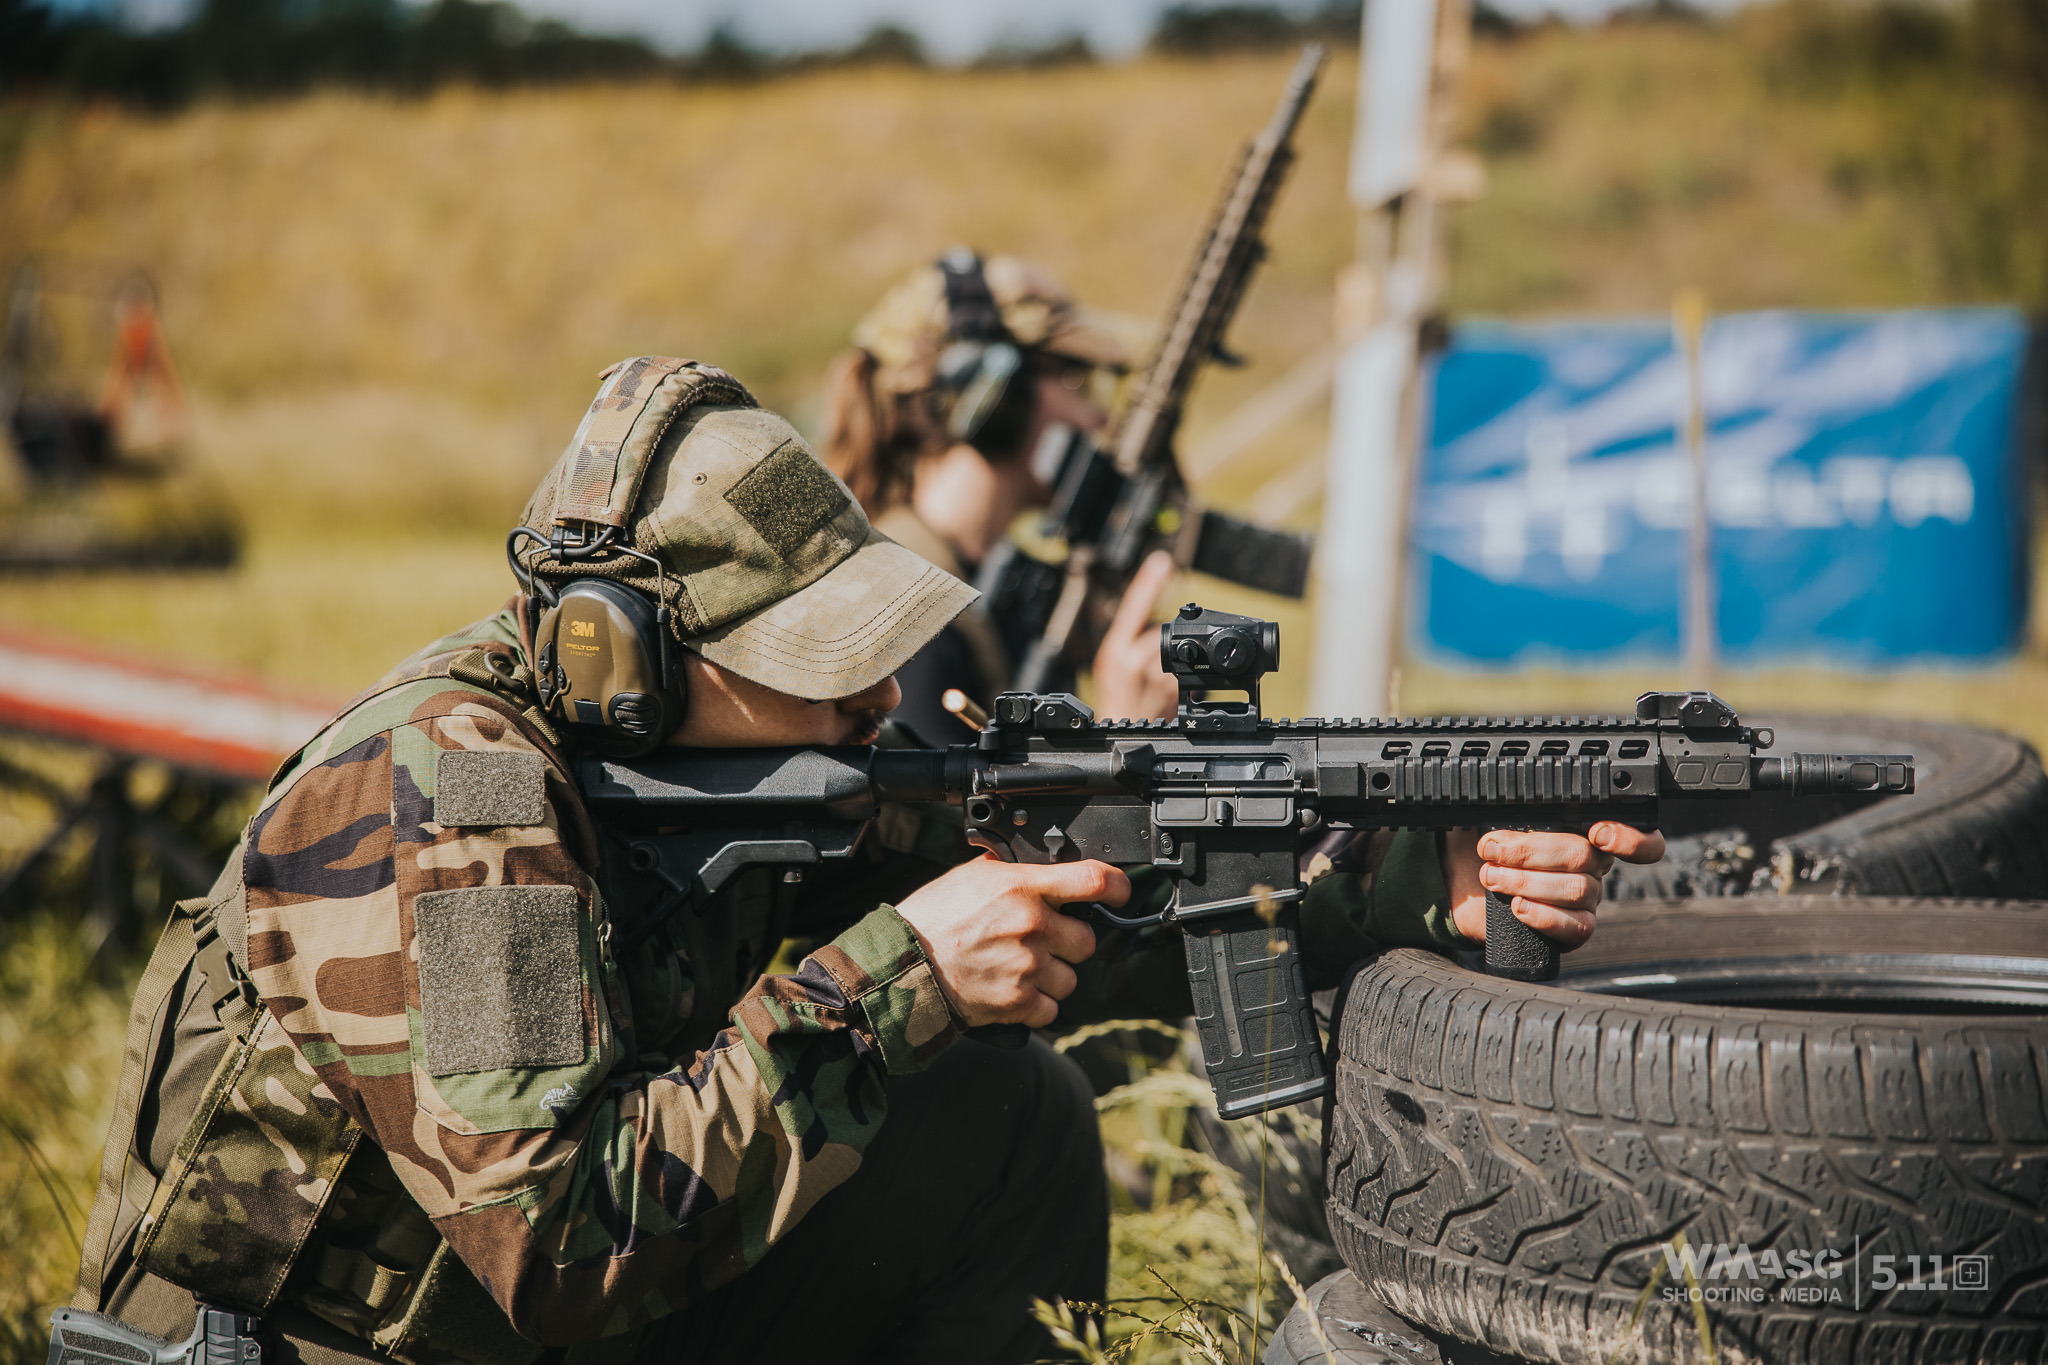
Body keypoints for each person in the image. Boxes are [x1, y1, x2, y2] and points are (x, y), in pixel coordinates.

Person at [69, 356, 1662, 1365]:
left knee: (1010, 1116)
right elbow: (561, 1249)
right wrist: (894, 975)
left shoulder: (728, 758)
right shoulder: (458, 803)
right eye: (813, 654)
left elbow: (1080, 902)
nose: (869, 693)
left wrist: (1404, 887)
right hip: (351, 1343)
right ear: (617, 650)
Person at [823, 248, 1180, 743]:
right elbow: (944, 819)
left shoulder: (992, 597)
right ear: (995, 396)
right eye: (1077, 380)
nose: (1097, 417)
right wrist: (1119, 743)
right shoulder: (904, 613)